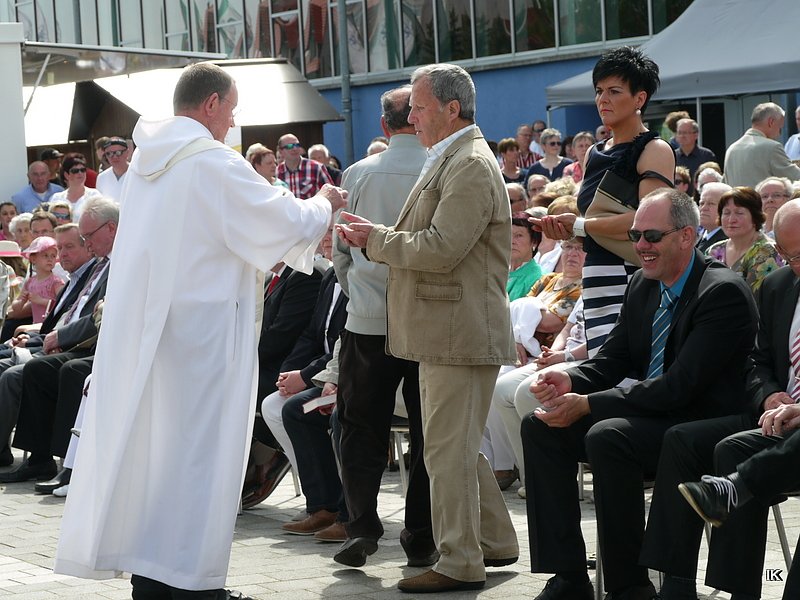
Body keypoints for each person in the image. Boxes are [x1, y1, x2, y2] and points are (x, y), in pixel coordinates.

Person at [53, 62, 346, 599]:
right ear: (210, 103)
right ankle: (192, 585)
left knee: (157, 459)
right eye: (231, 110)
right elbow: (277, 221)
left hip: (156, 339)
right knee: (198, 461)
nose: (232, 122)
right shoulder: (211, 161)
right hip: (203, 342)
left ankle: (153, 579)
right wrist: (323, 204)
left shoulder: (146, 165)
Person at [522, 189, 758, 600]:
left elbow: (680, 387)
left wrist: (589, 403)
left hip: (702, 423)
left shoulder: (722, 292)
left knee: (608, 436)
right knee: (540, 426)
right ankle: (568, 576)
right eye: (635, 236)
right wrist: (570, 381)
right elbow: (613, 359)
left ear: (686, 236)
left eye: (651, 236)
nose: (641, 246)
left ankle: (629, 585)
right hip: (653, 414)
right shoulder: (642, 285)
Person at [337, 63, 518, 594]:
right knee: (452, 444)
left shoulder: (469, 163)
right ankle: (494, 541)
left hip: (458, 332)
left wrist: (374, 240)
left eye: (418, 107)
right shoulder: (455, 157)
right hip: (448, 330)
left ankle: (460, 562)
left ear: (451, 108)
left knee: (445, 451)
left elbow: (441, 248)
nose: (410, 117)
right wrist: (378, 236)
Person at [639, 198, 800, 600]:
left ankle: (739, 589)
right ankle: (674, 581)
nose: (796, 265)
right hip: (775, 418)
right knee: (681, 439)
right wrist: (768, 396)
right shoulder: (779, 286)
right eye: (790, 256)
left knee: (732, 450)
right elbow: (757, 360)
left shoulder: (729, 287)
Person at [331, 85, 435, 571]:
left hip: (368, 319)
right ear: (419, 117)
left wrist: (361, 294)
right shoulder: (439, 168)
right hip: (426, 318)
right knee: (427, 429)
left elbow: (341, 254)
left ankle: (362, 525)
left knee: (359, 426)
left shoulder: (357, 173)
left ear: (384, 125)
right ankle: (421, 534)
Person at [532, 46, 675, 358]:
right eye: (598, 91)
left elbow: (650, 223)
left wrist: (580, 226)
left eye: (614, 91)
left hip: (634, 275)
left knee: (627, 374)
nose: (603, 99)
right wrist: (564, 227)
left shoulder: (655, 149)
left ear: (640, 98)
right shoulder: (594, 152)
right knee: (603, 372)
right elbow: (591, 224)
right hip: (595, 279)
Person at [706, 187, 783, 292]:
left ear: (755, 217)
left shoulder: (768, 251)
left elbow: (758, 297)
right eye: (726, 213)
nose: (731, 220)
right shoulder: (714, 250)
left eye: (739, 213)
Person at [723, 102, 800, 188]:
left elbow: (724, 183)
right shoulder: (772, 147)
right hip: (759, 197)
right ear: (771, 122)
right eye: (780, 128)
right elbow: (796, 177)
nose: (779, 134)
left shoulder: (731, 149)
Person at [11, 236, 64, 324]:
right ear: (33, 259)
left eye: (53, 256)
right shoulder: (30, 282)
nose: (50, 259)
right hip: (36, 325)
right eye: (45, 255)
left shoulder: (56, 282)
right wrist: (22, 301)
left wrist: (41, 300)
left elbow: (63, 304)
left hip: (51, 326)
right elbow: (16, 309)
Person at [276, 133, 333, 198]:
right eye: (290, 146)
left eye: (297, 145)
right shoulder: (276, 172)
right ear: (280, 151)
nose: (295, 148)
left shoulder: (316, 167)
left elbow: (331, 194)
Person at [50, 154, 102, 222]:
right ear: (66, 175)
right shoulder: (56, 198)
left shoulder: (94, 196)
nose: (80, 173)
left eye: (82, 170)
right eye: (75, 171)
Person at [673, 118, 716, 195]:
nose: (682, 136)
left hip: (701, 198)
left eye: (685, 133)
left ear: (696, 135)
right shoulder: (672, 156)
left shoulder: (707, 156)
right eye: (679, 133)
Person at [507, 212, 542, 300]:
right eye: (508, 235)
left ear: (534, 241)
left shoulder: (539, 278)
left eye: (519, 235)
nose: (512, 241)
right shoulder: (496, 271)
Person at [695, 182, 731, 253]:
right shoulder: (696, 236)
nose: (703, 208)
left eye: (711, 204)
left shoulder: (727, 242)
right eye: (701, 203)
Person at [94, 137, 130, 202]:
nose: (114, 157)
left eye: (118, 152)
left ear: (127, 152)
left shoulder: (139, 174)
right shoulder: (101, 178)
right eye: (109, 154)